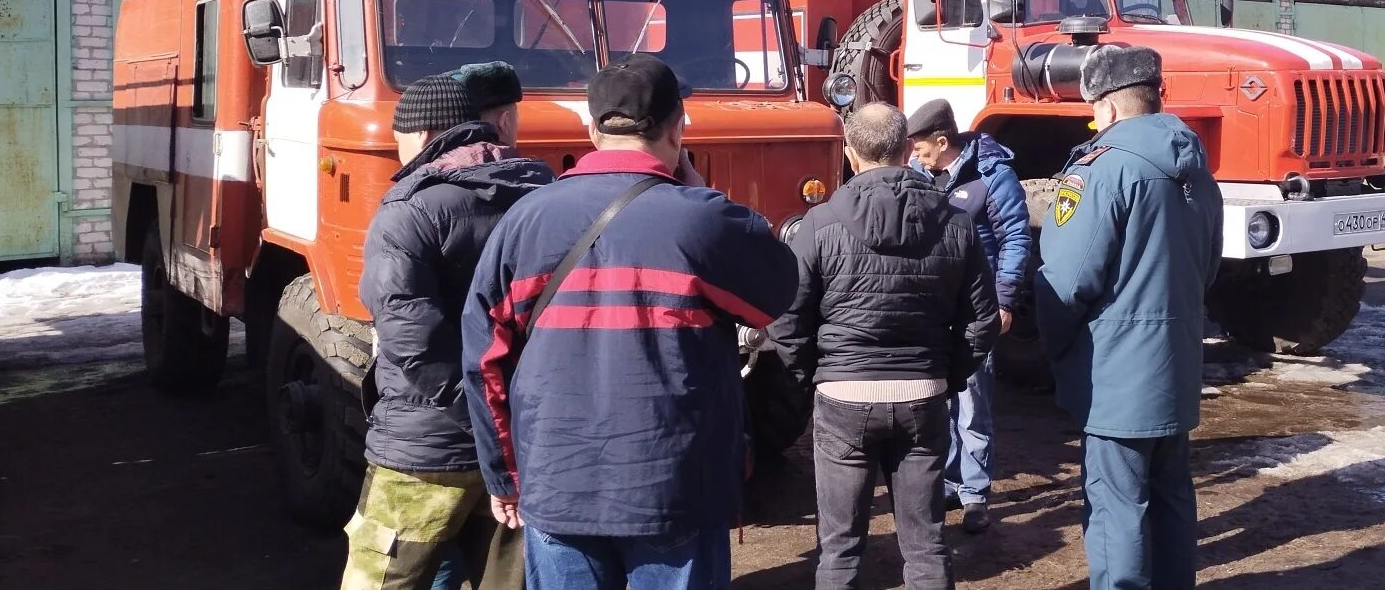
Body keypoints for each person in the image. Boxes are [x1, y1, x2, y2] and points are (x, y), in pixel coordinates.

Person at [461, 55, 800, 588]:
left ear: (592, 130)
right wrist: (704, 193)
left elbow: (484, 361)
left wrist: (503, 475)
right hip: (674, 483)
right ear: (678, 126)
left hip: (557, 480)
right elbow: (779, 290)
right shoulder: (703, 218)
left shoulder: (524, 219)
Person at [771, 102, 999, 590]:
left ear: (851, 154)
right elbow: (982, 319)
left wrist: (813, 376)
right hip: (922, 394)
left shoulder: (818, 223)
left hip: (843, 398)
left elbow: (788, 321)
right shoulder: (956, 223)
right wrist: (947, 375)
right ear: (906, 151)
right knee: (927, 545)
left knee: (839, 548)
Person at [347, 66, 554, 590]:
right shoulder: (546, 193)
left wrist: (475, 412)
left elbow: (410, 334)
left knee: (384, 579)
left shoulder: (409, 209)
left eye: (399, 140)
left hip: (425, 449)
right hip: (525, 444)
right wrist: (503, 422)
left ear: (422, 135)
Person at [1034, 46, 1221, 590]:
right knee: (1172, 498)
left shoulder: (1102, 169)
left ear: (1109, 109)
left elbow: (1065, 281)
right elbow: (1207, 268)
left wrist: (1058, 348)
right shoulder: (1197, 168)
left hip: (1115, 377)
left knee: (1118, 508)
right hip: (1177, 368)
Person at [905, 98, 1031, 533]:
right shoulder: (918, 175)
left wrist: (1005, 299)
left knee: (972, 405)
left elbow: (1015, 238)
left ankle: (975, 493)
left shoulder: (993, 176)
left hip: (977, 310)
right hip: (933, 311)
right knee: (938, 403)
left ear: (943, 142)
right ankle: (947, 484)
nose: (915, 158)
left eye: (921, 149)